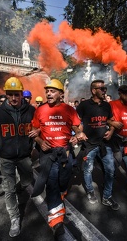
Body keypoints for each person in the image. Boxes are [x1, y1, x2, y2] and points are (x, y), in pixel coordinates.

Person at [31, 79, 87, 239]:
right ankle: (56, 221)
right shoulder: (40, 110)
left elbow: (77, 127)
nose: (48, 93)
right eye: (47, 91)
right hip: (48, 154)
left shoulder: (69, 110)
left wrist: (79, 134)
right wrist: (41, 142)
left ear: (61, 94)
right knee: (52, 183)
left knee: (63, 180)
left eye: (52, 91)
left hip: (66, 153)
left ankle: (61, 193)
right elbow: (34, 131)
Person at [0, 77, 37, 237]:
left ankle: (21, 185)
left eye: (16, 94)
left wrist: (36, 144)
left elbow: (39, 128)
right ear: (6, 95)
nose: (13, 98)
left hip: (24, 156)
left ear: (21, 94)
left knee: (27, 181)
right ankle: (15, 218)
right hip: (6, 158)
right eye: (10, 94)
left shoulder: (31, 111)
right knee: (9, 189)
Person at [76, 80, 124, 209]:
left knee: (110, 170)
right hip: (89, 145)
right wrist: (78, 133)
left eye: (105, 88)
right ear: (93, 91)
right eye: (102, 88)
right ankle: (90, 192)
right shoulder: (84, 105)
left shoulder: (107, 106)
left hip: (104, 144)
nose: (105, 91)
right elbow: (75, 122)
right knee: (88, 170)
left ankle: (107, 197)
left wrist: (111, 131)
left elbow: (111, 121)